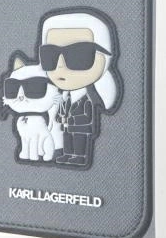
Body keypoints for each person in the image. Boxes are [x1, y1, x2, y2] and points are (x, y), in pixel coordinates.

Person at [38, 9, 123, 167]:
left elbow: (87, 115)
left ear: (104, 57)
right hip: (67, 126)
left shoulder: (89, 97)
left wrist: (71, 119)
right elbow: (62, 111)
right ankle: (68, 154)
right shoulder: (64, 96)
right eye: (50, 55)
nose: (60, 65)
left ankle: (79, 156)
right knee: (68, 140)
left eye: (78, 55)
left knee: (78, 142)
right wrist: (61, 118)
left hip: (81, 128)